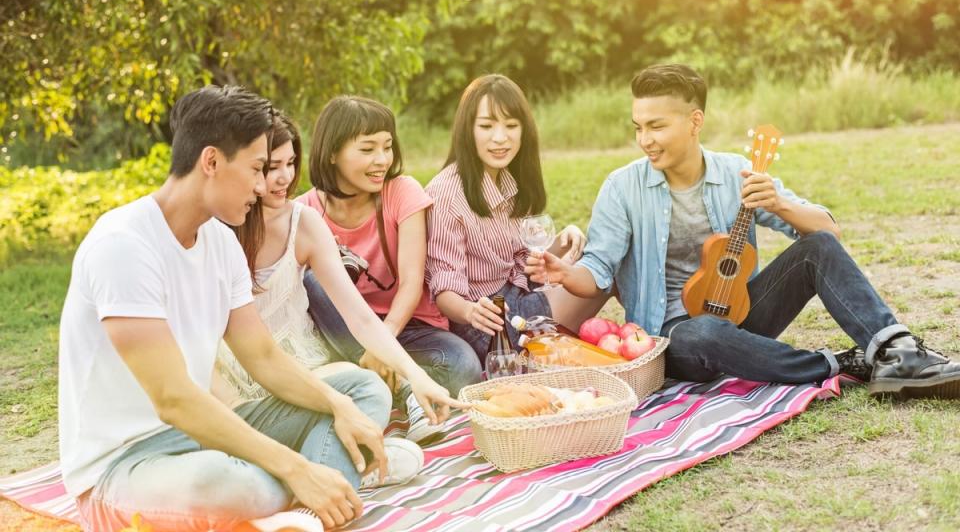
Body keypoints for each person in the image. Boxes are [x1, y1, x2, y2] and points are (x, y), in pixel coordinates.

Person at [57, 86, 448, 532]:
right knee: (235, 486)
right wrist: (298, 469)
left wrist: (337, 404)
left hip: (208, 432)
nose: (265, 186)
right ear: (211, 162)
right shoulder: (124, 246)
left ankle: (308, 504)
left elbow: (262, 357)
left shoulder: (219, 241)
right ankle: (333, 477)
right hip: (126, 464)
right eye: (258, 168)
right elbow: (174, 400)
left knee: (361, 392)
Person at [528, 63, 960, 398]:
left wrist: (779, 203)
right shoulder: (622, 187)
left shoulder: (736, 171)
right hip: (673, 337)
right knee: (704, 333)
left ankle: (896, 352)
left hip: (742, 314)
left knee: (817, 248)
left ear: (695, 121)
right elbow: (598, 269)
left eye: (657, 126)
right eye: (639, 127)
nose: (645, 139)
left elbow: (829, 232)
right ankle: (837, 364)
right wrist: (565, 274)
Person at [297, 96, 482, 401]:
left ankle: (381, 383)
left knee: (463, 368)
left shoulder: (402, 192)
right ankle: (397, 386)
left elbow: (411, 282)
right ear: (332, 153)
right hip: (346, 332)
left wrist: (382, 345)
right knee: (314, 280)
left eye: (387, 146)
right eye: (368, 149)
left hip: (410, 327)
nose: (382, 159)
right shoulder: (305, 211)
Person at [425, 74, 609, 364]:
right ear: (467, 130)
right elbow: (444, 289)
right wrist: (471, 312)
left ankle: (578, 349)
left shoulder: (508, 180)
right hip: (487, 322)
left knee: (598, 259)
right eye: (487, 126)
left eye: (511, 125)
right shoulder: (446, 194)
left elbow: (523, 262)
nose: (501, 138)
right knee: (607, 274)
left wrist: (562, 242)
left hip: (518, 295)